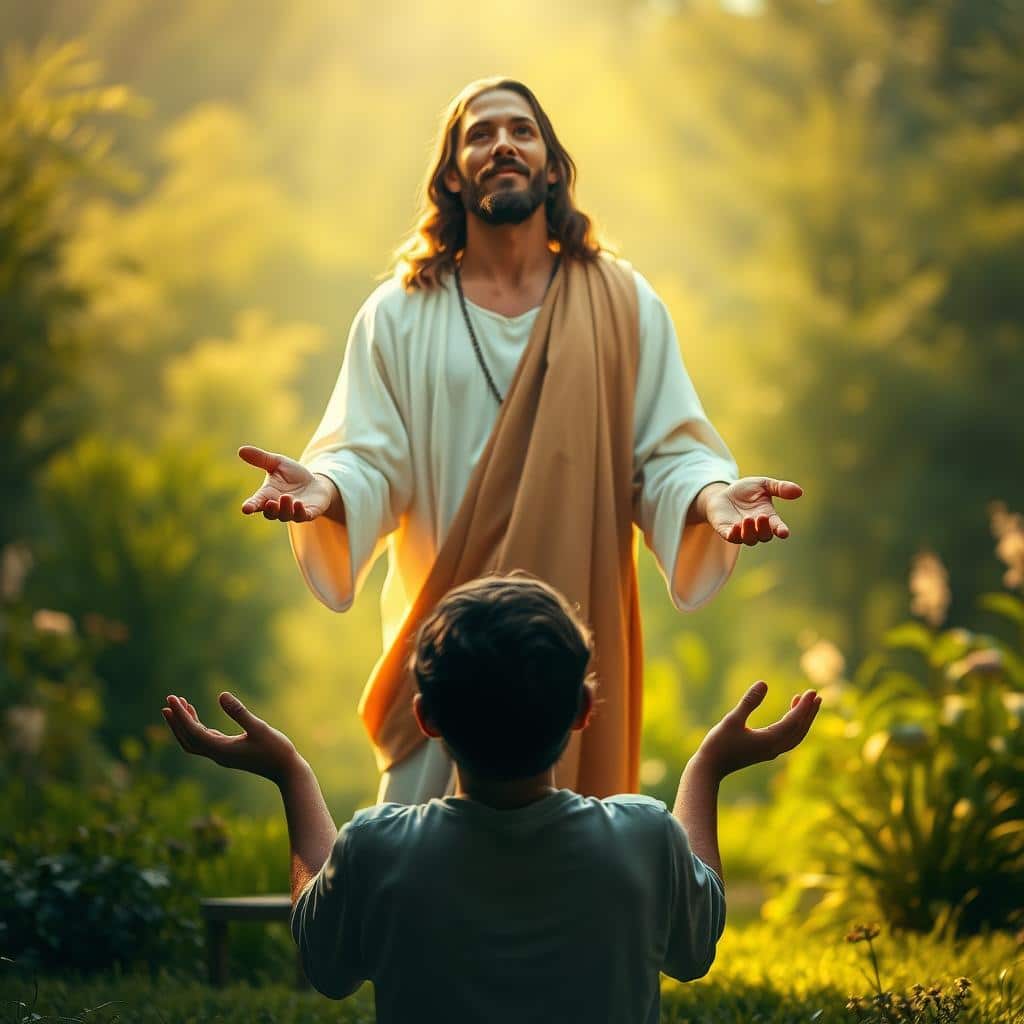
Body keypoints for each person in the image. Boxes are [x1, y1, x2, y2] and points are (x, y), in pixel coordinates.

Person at [237, 77, 804, 803]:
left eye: (522, 131)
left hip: (570, 653)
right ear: (451, 172)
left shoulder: (622, 302)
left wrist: (710, 496)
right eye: (480, 133)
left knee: (571, 856)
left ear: (552, 165)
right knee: (426, 863)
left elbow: (666, 454)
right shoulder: (400, 314)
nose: (502, 143)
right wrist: (330, 488)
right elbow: (370, 457)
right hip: (449, 648)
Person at [162, 574, 821, 1023]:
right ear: (584, 709)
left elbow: (323, 961)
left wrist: (290, 773)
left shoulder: (377, 848)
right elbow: (695, 948)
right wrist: (706, 769)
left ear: (426, 718)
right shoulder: (643, 837)